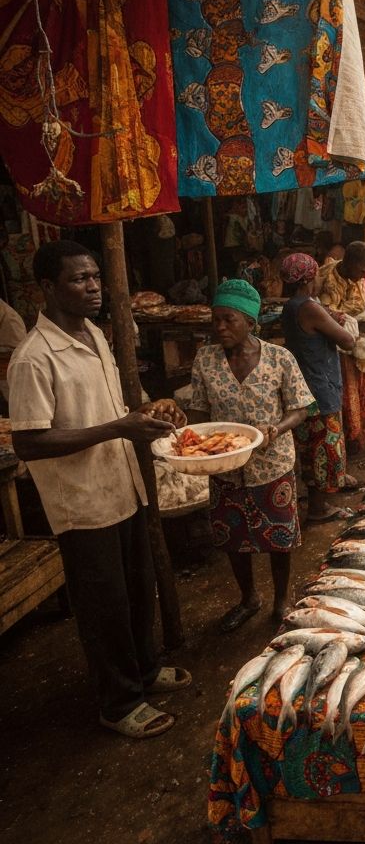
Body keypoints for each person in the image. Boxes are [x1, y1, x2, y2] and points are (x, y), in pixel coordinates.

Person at [10, 240, 191, 739]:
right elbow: (28, 441)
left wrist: (146, 413)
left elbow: (110, 410)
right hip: (83, 503)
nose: (94, 287)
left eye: (95, 276)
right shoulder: (33, 358)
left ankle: (145, 671)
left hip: (121, 486)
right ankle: (118, 702)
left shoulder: (93, 334)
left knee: (138, 591)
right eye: (79, 279)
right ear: (48, 287)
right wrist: (118, 428)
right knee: (104, 606)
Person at [188, 279, 315, 630]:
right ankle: (248, 598)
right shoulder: (206, 359)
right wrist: (187, 437)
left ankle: (281, 599)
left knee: (279, 537)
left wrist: (277, 428)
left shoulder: (279, 358)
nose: (220, 327)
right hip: (225, 466)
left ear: (249, 321)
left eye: (228, 319)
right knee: (232, 538)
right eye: (215, 320)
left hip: (271, 464)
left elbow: (300, 408)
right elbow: (199, 410)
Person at [280, 253, 356, 522]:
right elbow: (347, 341)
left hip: (304, 385)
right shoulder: (309, 308)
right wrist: (335, 320)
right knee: (324, 448)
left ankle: (322, 496)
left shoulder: (292, 306)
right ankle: (319, 509)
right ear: (308, 279)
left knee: (310, 447)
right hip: (318, 386)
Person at [318, 241, 365, 457]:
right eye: (362, 270)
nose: (364, 275)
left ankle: (356, 439)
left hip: (355, 343)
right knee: (344, 393)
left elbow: (359, 307)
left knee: (358, 391)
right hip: (334, 348)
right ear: (349, 262)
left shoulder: (356, 278)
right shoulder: (328, 281)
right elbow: (326, 317)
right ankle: (343, 444)